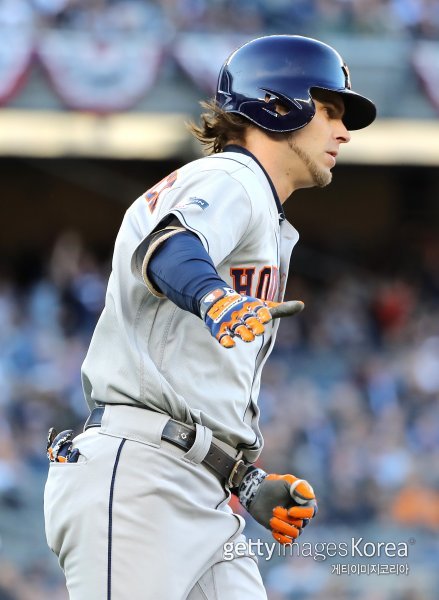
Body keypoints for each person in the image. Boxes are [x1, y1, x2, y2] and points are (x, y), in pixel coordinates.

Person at [44, 34, 376, 599]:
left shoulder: (257, 204)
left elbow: (192, 383)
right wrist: (212, 297)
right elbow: (168, 246)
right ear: (278, 105)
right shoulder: (233, 178)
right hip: (142, 479)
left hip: (196, 487)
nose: (343, 132)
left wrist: (240, 477)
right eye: (329, 111)